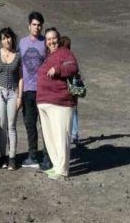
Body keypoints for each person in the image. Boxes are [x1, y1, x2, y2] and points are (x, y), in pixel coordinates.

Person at [37, 27, 79, 180]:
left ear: (58, 38)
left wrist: (58, 69)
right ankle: (56, 166)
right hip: (45, 102)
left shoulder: (64, 52)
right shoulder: (49, 55)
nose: (51, 41)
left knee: (61, 137)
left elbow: (73, 66)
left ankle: (62, 170)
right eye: (48, 39)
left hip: (60, 102)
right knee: (51, 137)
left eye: (53, 38)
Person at [18, 11, 48, 169]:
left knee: (45, 125)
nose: (37, 27)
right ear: (29, 25)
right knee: (30, 124)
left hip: (43, 90)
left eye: (39, 25)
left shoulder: (46, 42)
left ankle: (47, 156)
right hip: (27, 91)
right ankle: (32, 155)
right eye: (34, 24)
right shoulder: (22, 43)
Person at [0, 27, 23, 170]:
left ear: (12, 38)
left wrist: (20, 96)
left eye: (9, 37)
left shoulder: (18, 55)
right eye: (4, 38)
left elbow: (20, 77)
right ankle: (2, 157)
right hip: (0, 93)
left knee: (11, 126)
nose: (7, 40)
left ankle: (12, 158)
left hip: (13, 93)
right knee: (1, 127)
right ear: (1, 40)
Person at [59, 35, 80, 144]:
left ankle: (71, 133)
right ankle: (74, 134)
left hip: (67, 86)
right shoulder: (72, 56)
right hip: (73, 86)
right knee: (74, 110)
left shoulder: (61, 56)